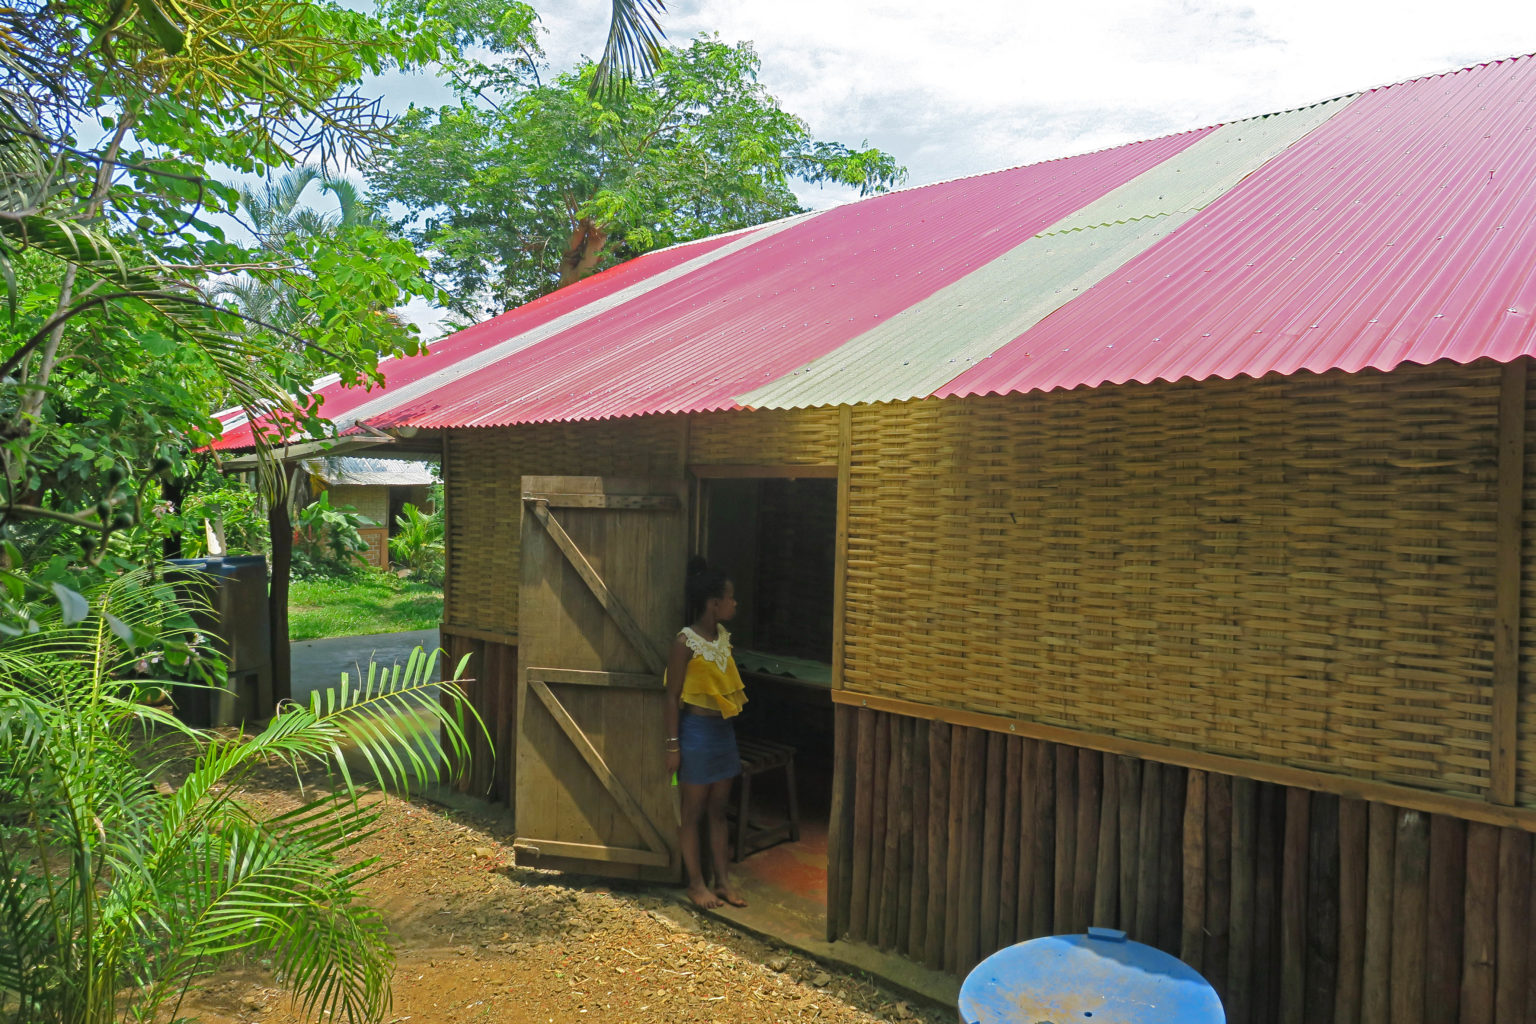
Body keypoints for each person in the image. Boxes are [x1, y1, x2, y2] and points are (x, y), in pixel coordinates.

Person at [664, 558, 748, 909]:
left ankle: (722, 881)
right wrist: (673, 745)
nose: (734, 603)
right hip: (695, 734)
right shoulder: (685, 642)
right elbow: (671, 696)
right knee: (693, 810)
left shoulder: (723, 638)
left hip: (722, 733)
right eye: (730, 598)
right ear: (714, 603)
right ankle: (696, 884)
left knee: (718, 809)